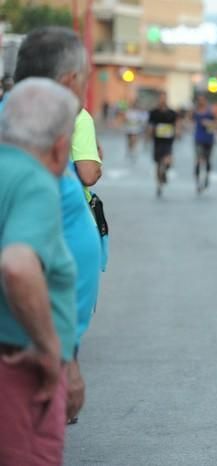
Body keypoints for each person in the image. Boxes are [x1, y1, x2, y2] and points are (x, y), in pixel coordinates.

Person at [11, 26, 106, 424]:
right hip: (29, 357)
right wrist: (58, 356)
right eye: (85, 77)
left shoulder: (17, 122)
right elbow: (18, 265)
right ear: (69, 81)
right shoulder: (33, 142)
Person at [0, 77, 80, 466]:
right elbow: (17, 265)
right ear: (61, 145)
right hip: (17, 372)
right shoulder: (35, 181)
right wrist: (50, 351)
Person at [149, 91, 179, 197]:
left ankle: (165, 172)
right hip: (157, 141)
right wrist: (148, 136)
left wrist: (177, 133)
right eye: (160, 98)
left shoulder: (172, 113)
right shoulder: (154, 112)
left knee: (167, 161)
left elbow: (176, 125)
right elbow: (150, 126)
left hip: (168, 141)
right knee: (157, 164)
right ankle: (159, 185)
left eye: (164, 98)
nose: (162, 100)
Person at [192, 93, 217, 193]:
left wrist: (209, 123)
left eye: (202, 99)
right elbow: (189, 120)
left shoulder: (211, 111)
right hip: (198, 139)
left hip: (209, 139)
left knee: (207, 161)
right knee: (198, 161)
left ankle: (206, 178)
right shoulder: (195, 111)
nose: (201, 102)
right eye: (199, 100)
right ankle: (197, 183)